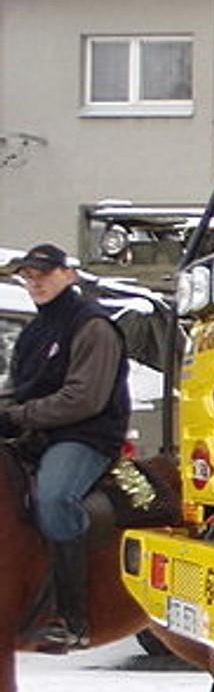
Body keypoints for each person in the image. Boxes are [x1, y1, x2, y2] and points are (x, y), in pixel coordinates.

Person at [0, 242, 131, 652]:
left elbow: (84, 398)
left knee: (55, 499)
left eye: (43, 273)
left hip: (84, 436)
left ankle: (69, 616)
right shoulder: (34, 332)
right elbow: (16, 390)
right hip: (37, 435)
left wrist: (20, 416)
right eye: (28, 275)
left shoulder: (92, 326)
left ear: (68, 274)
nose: (34, 281)